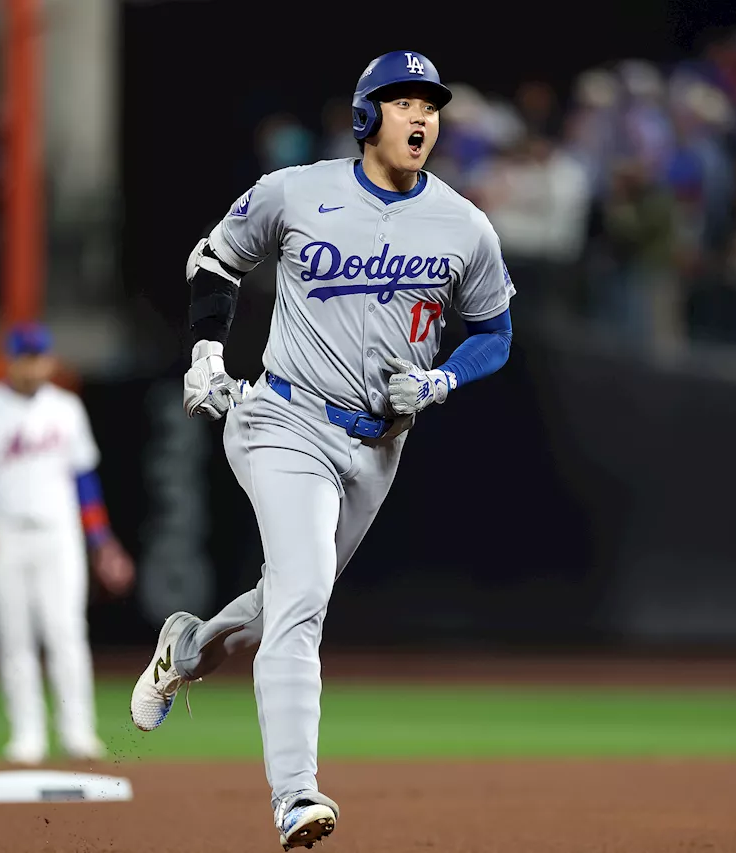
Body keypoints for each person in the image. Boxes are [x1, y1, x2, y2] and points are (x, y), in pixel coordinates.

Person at [129, 50, 516, 850]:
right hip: (284, 420)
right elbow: (216, 258)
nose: (421, 117)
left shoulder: (463, 223)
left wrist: (443, 381)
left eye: (431, 105)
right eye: (403, 101)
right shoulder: (296, 191)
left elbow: (497, 331)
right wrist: (206, 355)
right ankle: (295, 796)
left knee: (281, 600)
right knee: (304, 598)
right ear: (366, 115)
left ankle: (190, 646)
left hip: (378, 448)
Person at [0, 322, 135, 765]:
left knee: (66, 631)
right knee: (15, 638)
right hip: (3, 534)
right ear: (11, 359)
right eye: (26, 356)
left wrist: (100, 538)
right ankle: (27, 735)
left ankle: (78, 732)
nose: (34, 365)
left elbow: (84, 478)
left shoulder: (65, 408)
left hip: (58, 532)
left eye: (40, 356)